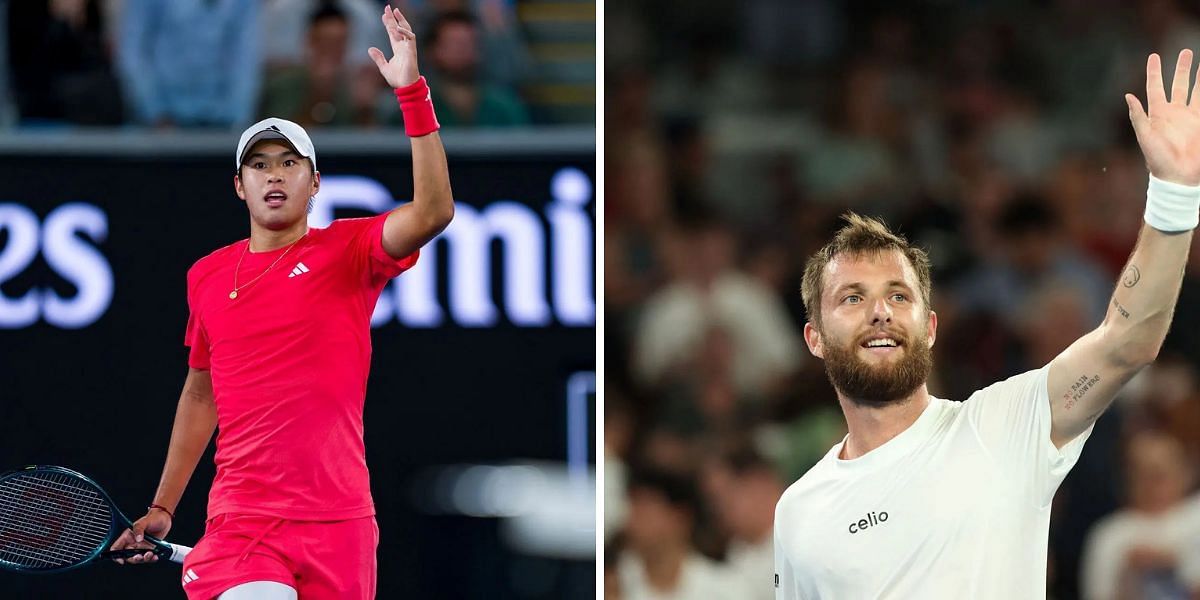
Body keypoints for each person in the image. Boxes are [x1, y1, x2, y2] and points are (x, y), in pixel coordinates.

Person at [774, 49, 1200, 598]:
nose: (879, 310)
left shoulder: (1005, 424)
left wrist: (1173, 192)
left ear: (929, 326)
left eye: (897, 295)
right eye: (852, 297)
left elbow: (1128, 343)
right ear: (814, 337)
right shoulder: (800, 511)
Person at [108, 6, 454, 599]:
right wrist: (164, 504)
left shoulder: (348, 248)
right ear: (239, 186)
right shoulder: (208, 275)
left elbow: (433, 213)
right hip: (242, 524)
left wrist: (413, 95)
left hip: (341, 524)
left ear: (314, 183)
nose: (275, 175)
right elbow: (201, 391)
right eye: (259, 165)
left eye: (290, 163)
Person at [1080, 430, 1200, 600]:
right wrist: (1130, 574)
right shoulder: (1109, 535)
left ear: (1185, 472)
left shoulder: (1196, 515)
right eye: (1140, 473)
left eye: (1158, 474)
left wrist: (1176, 563)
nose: (1150, 484)